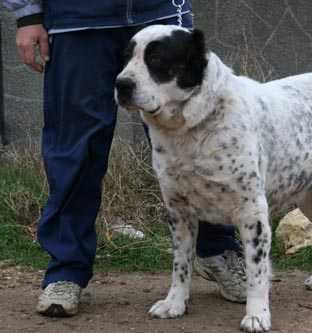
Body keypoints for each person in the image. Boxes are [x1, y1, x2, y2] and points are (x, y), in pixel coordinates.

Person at [2, 0, 245, 317]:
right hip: (77, 18)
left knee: (198, 141)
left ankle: (216, 250)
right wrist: (27, 14)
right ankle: (67, 269)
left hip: (161, 11)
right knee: (75, 146)